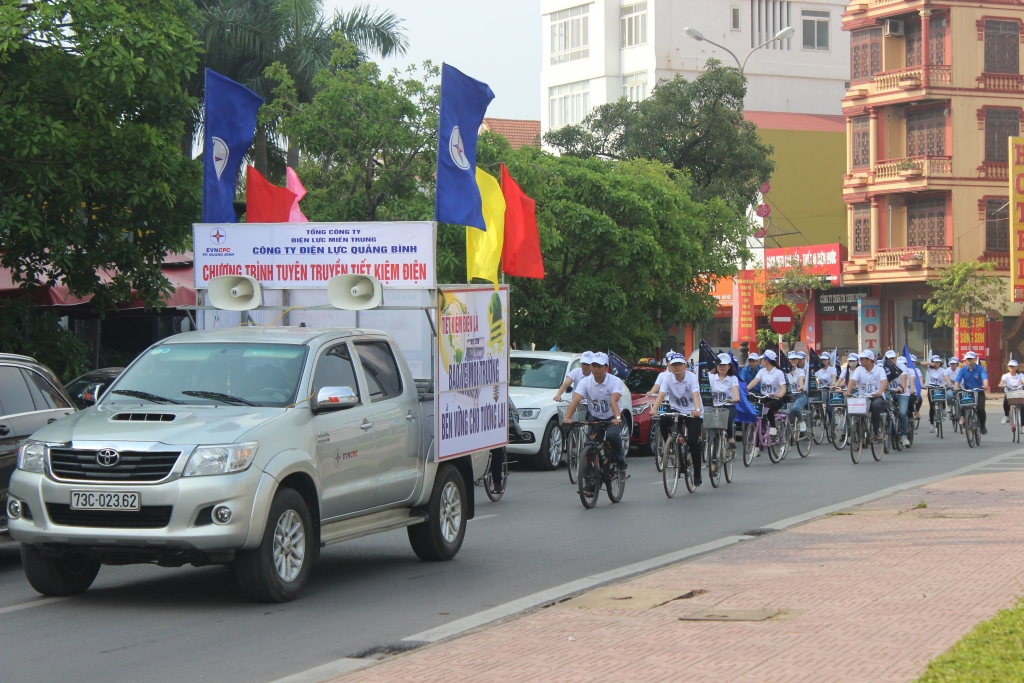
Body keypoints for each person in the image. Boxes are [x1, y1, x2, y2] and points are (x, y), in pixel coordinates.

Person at [562, 352, 628, 470]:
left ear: (606, 368)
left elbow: (614, 400)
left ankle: (620, 459)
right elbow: (576, 400)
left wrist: (617, 418)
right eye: (594, 365)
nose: (595, 369)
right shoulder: (585, 382)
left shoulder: (615, 381)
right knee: (590, 446)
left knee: (612, 436)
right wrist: (567, 418)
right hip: (596, 417)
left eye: (599, 366)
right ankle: (589, 481)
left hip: (613, 417)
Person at [651, 351, 704, 485]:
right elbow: (661, 395)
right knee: (663, 421)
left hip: (693, 411)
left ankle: (697, 474)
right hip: (676, 409)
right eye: (674, 365)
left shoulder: (691, 378)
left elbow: (696, 395)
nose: (676, 367)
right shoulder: (667, 378)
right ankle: (670, 445)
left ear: (685, 365)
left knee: (693, 442)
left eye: (680, 364)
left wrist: (697, 410)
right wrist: (654, 409)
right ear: (669, 366)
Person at [846, 349, 889, 439]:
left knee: (875, 406)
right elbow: (852, 380)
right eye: (860, 359)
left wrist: (880, 392)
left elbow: (884, 382)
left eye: (862, 359)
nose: (860, 361)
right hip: (863, 397)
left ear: (869, 360)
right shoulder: (859, 369)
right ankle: (858, 436)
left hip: (877, 397)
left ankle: (876, 432)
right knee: (856, 411)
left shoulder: (879, 370)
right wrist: (848, 391)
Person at [747, 349, 787, 436]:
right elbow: (755, 381)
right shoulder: (762, 371)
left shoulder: (778, 372)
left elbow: (783, 389)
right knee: (756, 408)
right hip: (764, 397)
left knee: (766, 407)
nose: (760, 361)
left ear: (766, 360)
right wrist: (745, 389)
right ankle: (761, 430)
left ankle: (773, 427)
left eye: (762, 359)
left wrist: (779, 394)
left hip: (776, 399)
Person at [709, 353, 741, 450]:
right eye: (719, 365)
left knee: (726, 418)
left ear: (729, 366)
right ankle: (712, 459)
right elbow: (702, 389)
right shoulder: (711, 377)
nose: (721, 367)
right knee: (710, 427)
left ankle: (730, 437)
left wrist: (736, 398)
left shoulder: (733, 378)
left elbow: (735, 390)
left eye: (724, 365)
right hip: (714, 407)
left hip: (728, 406)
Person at [953, 351, 989, 435]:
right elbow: (958, 379)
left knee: (980, 409)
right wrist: (955, 386)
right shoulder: (963, 370)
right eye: (967, 359)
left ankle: (982, 426)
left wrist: (985, 385)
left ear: (975, 359)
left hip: (978, 391)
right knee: (962, 403)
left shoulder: (980, 368)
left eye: (970, 359)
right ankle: (963, 417)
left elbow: (984, 377)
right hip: (968, 392)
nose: (969, 361)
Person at [925, 355, 951, 433]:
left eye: (938, 362)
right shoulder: (929, 369)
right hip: (931, 388)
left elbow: (946, 377)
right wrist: (930, 363)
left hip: (939, 387)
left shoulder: (943, 370)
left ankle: (943, 409)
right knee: (932, 406)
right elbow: (922, 363)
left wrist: (949, 382)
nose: (937, 363)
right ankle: (932, 424)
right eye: (935, 362)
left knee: (942, 397)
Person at [894, 356, 914, 447]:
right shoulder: (884, 367)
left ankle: (903, 435)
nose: (891, 360)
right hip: (890, 392)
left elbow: (904, 379)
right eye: (889, 359)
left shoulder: (903, 368)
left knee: (902, 412)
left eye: (892, 358)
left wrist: (902, 389)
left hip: (902, 393)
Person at [786, 351, 808, 433]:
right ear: (788, 360)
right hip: (788, 397)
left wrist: (800, 387)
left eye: (795, 359)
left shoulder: (800, 371)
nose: (793, 361)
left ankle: (802, 422)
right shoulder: (784, 372)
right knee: (785, 416)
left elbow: (801, 381)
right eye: (791, 359)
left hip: (800, 396)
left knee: (795, 408)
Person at [999, 359, 1023, 427]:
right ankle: (1006, 416)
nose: (1012, 368)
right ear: (1008, 368)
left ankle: (1023, 425)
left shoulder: (1020, 375)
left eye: (1013, 366)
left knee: (1022, 406)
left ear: (1017, 367)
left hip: (1018, 394)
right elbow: (1003, 381)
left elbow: (1023, 380)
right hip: (1009, 394)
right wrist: (1001, 384)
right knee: (1006, 401)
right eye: (1010, 366)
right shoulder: (1005, 376)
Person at [816, 352, 838, 419]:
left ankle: (832, 424)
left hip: (829, 390)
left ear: (828, 360)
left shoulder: (832, 369)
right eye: (822, 360)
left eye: (825, 360)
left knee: (829, 409)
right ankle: (818, 413)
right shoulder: (818, 369)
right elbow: (815, 379)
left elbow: (834, 379)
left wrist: (833, 384)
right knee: (814, 402)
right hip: (820, 389)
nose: (823, 361)